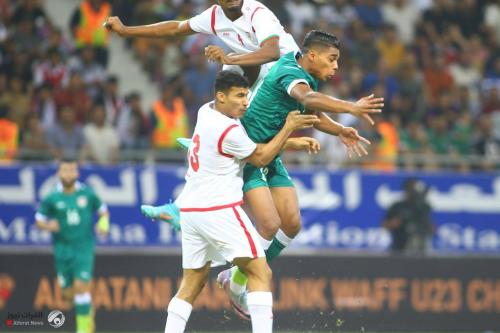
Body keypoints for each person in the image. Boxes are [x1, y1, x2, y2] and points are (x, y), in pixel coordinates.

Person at [144, 30, 381, 318]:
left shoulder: (307, 77)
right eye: (332, 60)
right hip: (250, 155)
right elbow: (307, 97)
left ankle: (235, 277)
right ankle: (240, 277)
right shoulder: (288, 72)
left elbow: (313, 113)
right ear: (312, 55)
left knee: (292, 223)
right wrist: (351, 108)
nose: (336, 66)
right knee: (269, 224)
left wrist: (340, 129)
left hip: (272, 153)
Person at [162, 70, 320, 333]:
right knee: (261, 273)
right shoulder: (229, 129)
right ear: (221, 97)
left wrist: (292, 143)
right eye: (239, 96)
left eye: (247, 95)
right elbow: (260, 156)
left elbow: (253, 149)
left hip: (191, 212)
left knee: (192, 283)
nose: (246, 102)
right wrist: (289, 128)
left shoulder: (205, 111)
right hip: (218, 210)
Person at [103, 0, 299, 88]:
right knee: (229, 74)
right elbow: (175, 28)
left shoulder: (256, 11)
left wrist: (230, 58)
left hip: (291, 67)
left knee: (230, 63)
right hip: (265, 73)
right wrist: (126, 31)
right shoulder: (214, 16)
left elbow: (272, 52)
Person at [35, 158, 110, 333]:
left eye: (72, 170)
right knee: (68, 294)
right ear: (59, 173)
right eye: (65, 170)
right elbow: (39, 219)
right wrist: (48, 226)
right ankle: (87, 311)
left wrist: (103, 224)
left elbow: (103, 211)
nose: (68, 174)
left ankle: (83, 329)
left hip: (83, 248)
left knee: (80, 287)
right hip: (62, 250)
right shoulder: (52, 197)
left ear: (77, 173)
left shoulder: (87, 194)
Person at [383, 178, 434, 255]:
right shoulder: (398, 206)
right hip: (400, 247)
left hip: (420, 247)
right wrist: (394, 223)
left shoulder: (423, 207)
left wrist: (427, 227)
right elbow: (385, 225)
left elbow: (430, 227)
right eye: (411, 190)